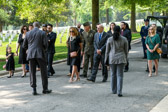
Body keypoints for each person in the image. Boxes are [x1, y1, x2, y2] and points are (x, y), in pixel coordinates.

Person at [23, 22, 52, 95]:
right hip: (40, 53)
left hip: (31, 54)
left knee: (32, 71)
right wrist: (43, 50)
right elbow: (45, 44)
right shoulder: (42, 33)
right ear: (39, 26)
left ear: (33, 26)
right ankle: (45, 89)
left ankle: (34, 89)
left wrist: (29, 49)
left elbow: (24, 45)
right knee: (43, 71)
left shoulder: (28, 33)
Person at [105, 26, 128, 97]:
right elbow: (126, 50)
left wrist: (106, 60)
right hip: (121, 58)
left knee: (113, 74)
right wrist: (126, 59)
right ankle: (119, 91)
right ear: (120, 31)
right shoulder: (124, 39)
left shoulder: (110, 39)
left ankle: (113, 90)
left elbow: (107, 51)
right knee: (120, 75)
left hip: (112, 58)